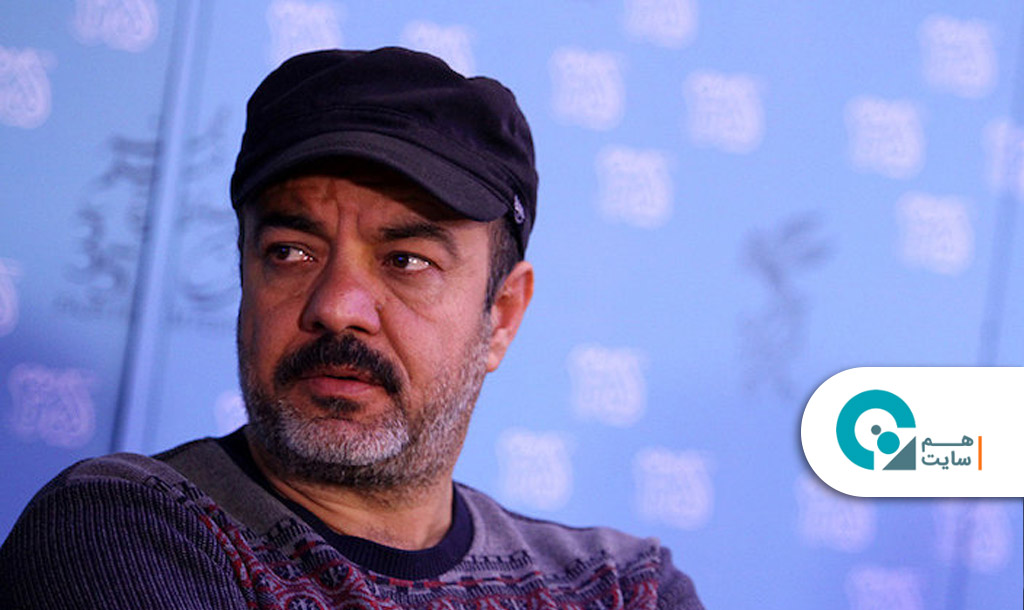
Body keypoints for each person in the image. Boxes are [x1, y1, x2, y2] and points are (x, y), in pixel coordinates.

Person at [0, 47, 704, 609]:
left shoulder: (620, 587)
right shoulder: (126, 528)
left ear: (502, 315)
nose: (337, 306)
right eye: (291, 252)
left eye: (407, 260)